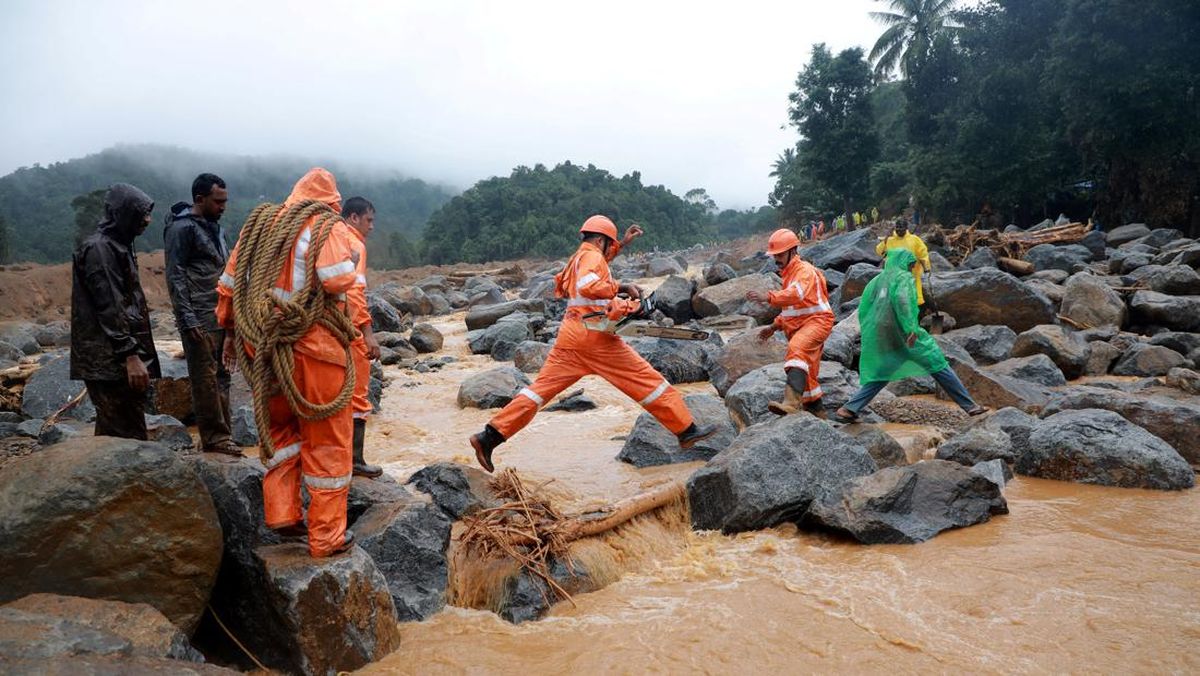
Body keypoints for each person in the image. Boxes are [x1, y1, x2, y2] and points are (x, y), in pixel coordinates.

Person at [469, 215, 716, 473]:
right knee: (647, 381)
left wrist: (622, 245)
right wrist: (620, 288)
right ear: (600, 241)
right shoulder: (592, 258)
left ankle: (489, 437)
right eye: (610, 245)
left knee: (537, 393)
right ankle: (686, 429)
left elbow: (591, 272)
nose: (610, 251)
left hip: (570, 337)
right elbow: (590, 284)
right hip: (595, 338)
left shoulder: (580, 257)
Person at [217, 167, 359, 558]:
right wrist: (355, 250)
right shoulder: (325, 223)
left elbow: (229, 284)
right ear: (333, 202)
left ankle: (283, 516)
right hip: (312, 349)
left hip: (262, 346)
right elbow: (335, 278)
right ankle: (327, 537)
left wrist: (229, 332)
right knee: (327, 439)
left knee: (281, 431)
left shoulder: (259, 224)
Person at [835, 249, 988, 423]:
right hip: (903, 332)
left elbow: (864, 308)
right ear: (904, 263)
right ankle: (970, 406)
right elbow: (903, 300)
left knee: (884, 372)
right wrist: (910, 328)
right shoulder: (903, 278)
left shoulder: (876, 281)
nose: (911, 268)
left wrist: (871, 331)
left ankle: (849, 408)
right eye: (910, 264)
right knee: (937, 362)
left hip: (881, 332)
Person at [70, 183, 160, 439]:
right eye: (140, 213)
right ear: (121, 213)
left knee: (115, 431)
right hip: (109, 361)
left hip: (113, 359)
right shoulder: (101, 249)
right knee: (127, 435)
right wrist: (130, 356)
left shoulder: (118, 245)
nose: (147, 220)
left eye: (147, 213)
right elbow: (109, 305)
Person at [164, 173, 239, 455]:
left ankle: (224, 435)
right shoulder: (181, 229)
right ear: (200, 199)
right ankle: (214, 438)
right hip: (198, 316)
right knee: (204, 379)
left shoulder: (215, 228)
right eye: (218, 201)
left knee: (223, 375)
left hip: (219, 313)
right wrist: (187, 318)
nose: (223, 207)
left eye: (225, 201)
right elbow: (176, 276)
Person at [746, 228, 835, 417]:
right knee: (808, 373)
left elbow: (796, 295)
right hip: (802, 323)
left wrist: (767, 297)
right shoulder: (789, 274)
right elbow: (792, 311)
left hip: (818, 321)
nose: (776, 259)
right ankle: (818, 414)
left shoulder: (804, 271)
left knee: (796, 348)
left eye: (779, 254)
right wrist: (773, 326)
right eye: (774, 255)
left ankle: (791, 404)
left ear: (792, 251)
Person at [342, 196, 383, 478]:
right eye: (368, 220)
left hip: (327, 330)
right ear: (353, 218)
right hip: (349, 329)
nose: (372, 226)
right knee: (357, 393)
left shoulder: (331, 238)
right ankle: (355, 460)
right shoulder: (354, 243)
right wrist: (367, 332)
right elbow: (355, 292)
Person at [875, 218, 933, 306]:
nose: (899, 230)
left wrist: (926, 268)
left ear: (906, 228)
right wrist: (886, 239)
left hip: (911, 275)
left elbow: (923, 254)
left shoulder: (914, 240)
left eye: (901, 227)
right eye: (897, 227)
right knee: (895, 299)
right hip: (893, 275)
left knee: (912, 298)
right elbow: (879, 251)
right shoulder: (890, 240)